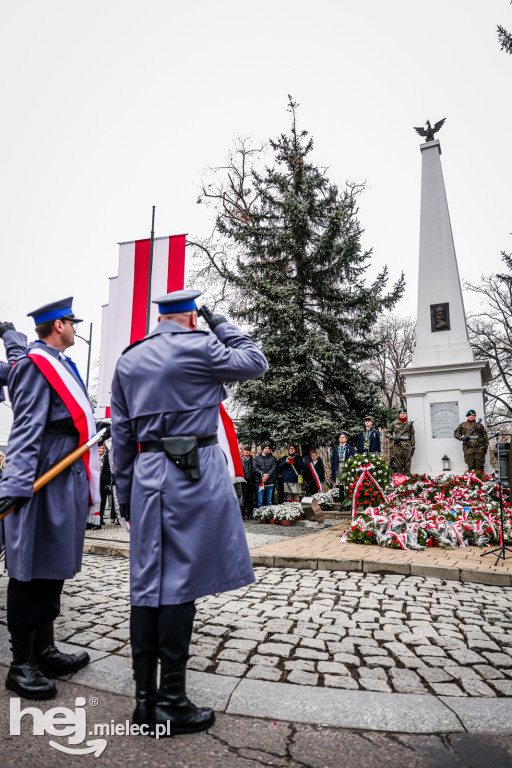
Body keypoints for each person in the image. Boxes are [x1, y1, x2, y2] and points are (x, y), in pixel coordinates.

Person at [110, 289, 268, 738]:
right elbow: (255, 360)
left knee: (146, 583)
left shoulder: (129, 358)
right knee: (179, 583)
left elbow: (122, 434)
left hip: (146, 471)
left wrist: (125, 491)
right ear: (191, 316)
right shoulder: (201, 345)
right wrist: (220, 322)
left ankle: (144, 704)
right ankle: (174, 701)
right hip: (193, 472)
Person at [0, 298, 97, 700]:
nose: (75, 327)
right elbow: (25, 430)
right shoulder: (37, 367)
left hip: (64, 473)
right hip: (42, 475)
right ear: (59, 325)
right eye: (72, 322)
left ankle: (45, 648)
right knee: (29, 567)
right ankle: (21, 663)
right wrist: (15, 488)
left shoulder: (55, 361)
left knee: (52, 563)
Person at [388, 407, 415, 475]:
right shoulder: (394, 423)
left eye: (404, 413)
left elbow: (412, 436)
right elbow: (387, 433)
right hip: (398, 445)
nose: (402, 414)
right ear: (399, 415)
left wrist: (413, 447)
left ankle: (407, 479)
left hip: (407, 445)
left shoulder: (409, 424)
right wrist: (393, 438)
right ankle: (400, 479)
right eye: (401, 413)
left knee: (407, 464)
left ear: (406, 414)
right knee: (398, 465)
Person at [330, 432, 355, 503]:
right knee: (340, 487)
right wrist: (333, 473)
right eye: (340, 437)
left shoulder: (349, 448)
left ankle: (347, 504)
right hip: (338, 467)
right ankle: (342, 504)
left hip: (346, 467)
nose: (341, 438)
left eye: (343, 437)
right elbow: (333, 461)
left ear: (346, 439)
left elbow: (353, 458)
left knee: (347, 486)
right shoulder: (335, 448)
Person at [98, 443, 114, 526]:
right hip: (95, 481)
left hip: (103, 482)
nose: (100, 449)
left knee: (102, 501)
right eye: (99, 448)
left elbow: (108, 471)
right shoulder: (94, 457)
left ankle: (100, 519)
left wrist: (108, 483)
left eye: (101, 448)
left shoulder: (106, 458)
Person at [241, 445, 254, 519]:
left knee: (251, 498)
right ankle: (243, 513)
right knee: (244, 498)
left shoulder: (252, 460)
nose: (246, 452)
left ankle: (250, 513)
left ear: (250, 452)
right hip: (243, 481)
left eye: (248, 450)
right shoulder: (241, 460)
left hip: (251, 481)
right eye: (245, 450)